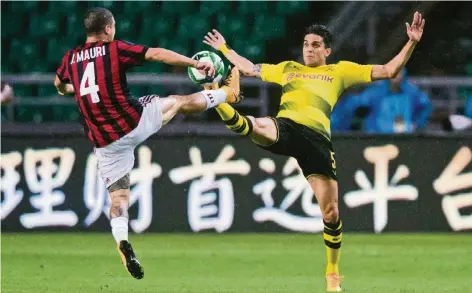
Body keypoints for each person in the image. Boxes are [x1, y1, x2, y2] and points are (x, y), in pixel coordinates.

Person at [203, 11, 425, 292]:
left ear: (327, 50)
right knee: (255, 125)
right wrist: (224, 49)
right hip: (286, 127)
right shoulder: (287, 68)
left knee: (331, 213)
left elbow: (389, 70)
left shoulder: (340, 71)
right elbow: (249, 68)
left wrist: (411, 42)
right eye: (307, 43)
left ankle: (332, 273)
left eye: (316, 44)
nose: (309, 48)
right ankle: (216, 98)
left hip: (317, 141)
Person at [54, 7, 241, 280]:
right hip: (133, 122)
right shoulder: (114, 49)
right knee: (178, 102)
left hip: (106, 144)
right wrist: (193, 63)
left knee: (118, 200)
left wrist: (74, 89)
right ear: (108, 29)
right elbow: (155, 53)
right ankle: (228, 93)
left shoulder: (70, 59)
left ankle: (122, 241)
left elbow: (59, 85)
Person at [356, 69, 432, 133]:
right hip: (379, 137)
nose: (396, 75)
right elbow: (357, 105)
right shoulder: (375, 93)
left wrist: (418, 124)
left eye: (399, 72)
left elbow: (426, 107)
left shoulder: (413, 93)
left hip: (406, 137)